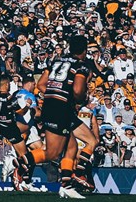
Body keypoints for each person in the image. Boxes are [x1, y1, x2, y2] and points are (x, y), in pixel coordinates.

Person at [37, 35, 98, 199]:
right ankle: (19, 165)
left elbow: (41, 85)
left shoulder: (56, 61)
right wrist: (81, 98)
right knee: (53, 152)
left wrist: (54, 94)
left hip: (56, 107)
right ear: (84, 50)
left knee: (72, 148)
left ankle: (69, 181)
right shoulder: (82, 66)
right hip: (63, 109)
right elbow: (78, 91)